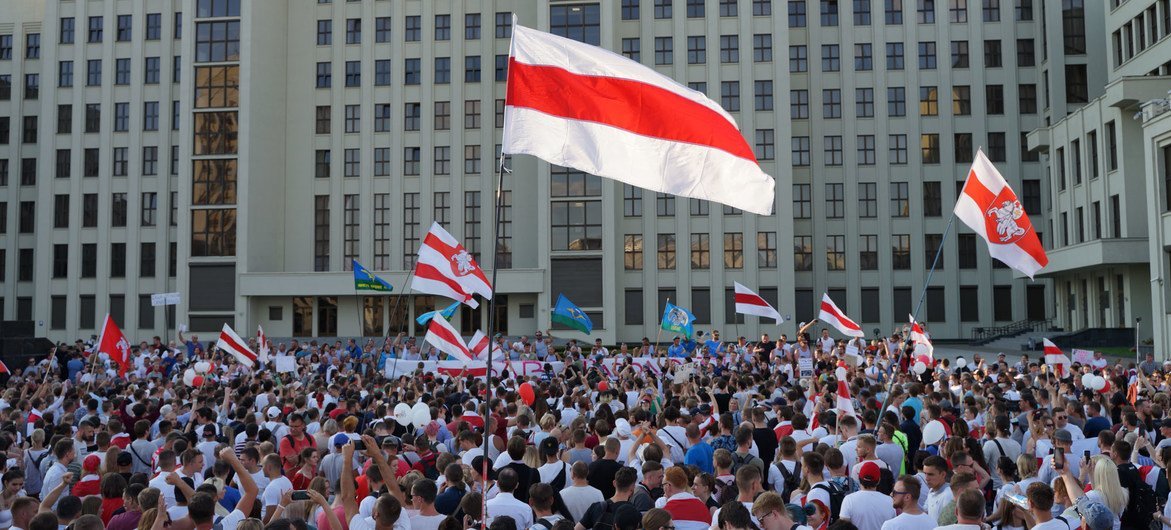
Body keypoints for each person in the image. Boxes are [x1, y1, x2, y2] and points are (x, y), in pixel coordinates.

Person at [838, 462, 894, 530]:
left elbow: (842, 527)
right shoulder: (890, 501)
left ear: (859, 478)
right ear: (879, 480)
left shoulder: (849, 500)